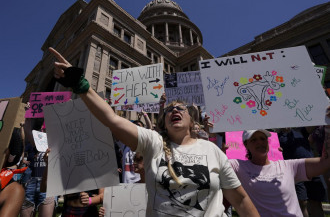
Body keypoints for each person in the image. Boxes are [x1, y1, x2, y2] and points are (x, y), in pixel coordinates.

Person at [50, 47, 259, 216]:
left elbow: (240, 199)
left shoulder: (213, 151)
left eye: (180, 108)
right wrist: (81, 85)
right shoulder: (153, 143)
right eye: (169, 110)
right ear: (163, 121)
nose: (174, 110)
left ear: (191, 120)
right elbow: (111, 119)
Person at [229, 124, 330, 217]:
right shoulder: (238, 166)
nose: (259, 142)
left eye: (262, 138)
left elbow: (325, 163)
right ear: (246, 145)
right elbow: (215, 162)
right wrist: (212, 136)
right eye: (253, 140)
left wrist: (328, 128)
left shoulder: (288, 166)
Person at [277, 127, 326, 216]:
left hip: (312, 169)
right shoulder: (275, 135)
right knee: (302, 202)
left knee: (316, 201)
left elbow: (312, 126)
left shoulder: (301, 130)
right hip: (294, 172)